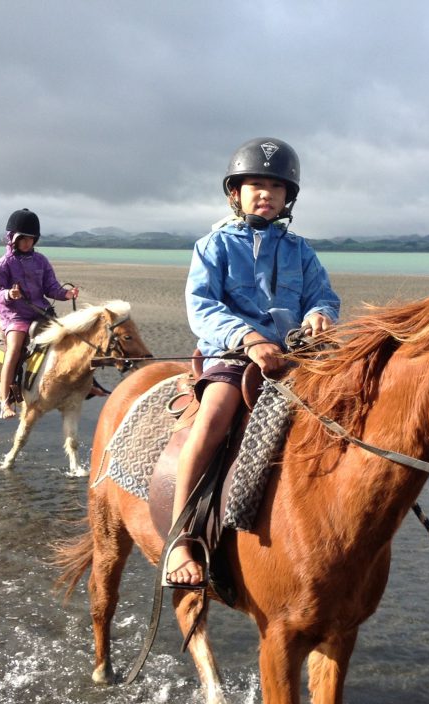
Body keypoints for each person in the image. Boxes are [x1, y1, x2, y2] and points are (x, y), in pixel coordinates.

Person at [165, 137, 341, 587]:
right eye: (255, 185)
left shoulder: (301, 250)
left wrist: (320, 313)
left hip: (294, 356)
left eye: (276, 187)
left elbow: (322, 293)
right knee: (215, 417)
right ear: (235, 193)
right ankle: (180, 538)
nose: (265, 194)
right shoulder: (213, 246)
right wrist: (247, 337)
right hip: (231, 354)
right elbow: (201, 304)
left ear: (288, 198)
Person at [0, 208, 79, 419]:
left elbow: (51, 287)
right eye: (24, 239)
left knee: (70, 338)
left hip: (41, 311)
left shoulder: (41, 261)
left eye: (31, 239)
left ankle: (84, 384)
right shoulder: (5, 263)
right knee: (13, 350)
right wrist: (10, 295)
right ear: (13, 238)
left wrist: (66, 294)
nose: (28, 243)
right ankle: (5, 402)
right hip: (15, 315)